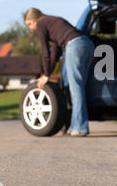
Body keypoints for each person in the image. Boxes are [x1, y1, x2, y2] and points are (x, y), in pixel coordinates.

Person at [24, 8, 94, 137]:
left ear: (34, 19)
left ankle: (80, 127)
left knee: (76, 89)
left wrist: (45, 75)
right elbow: (55, 53)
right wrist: (48, 72)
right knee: (77, 88)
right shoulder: (53, 22)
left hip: (74, 46)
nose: (30, 28)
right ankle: (74, 125)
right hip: (87, 45)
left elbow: (45, 52)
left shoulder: (41, 23)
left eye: (29, 24)